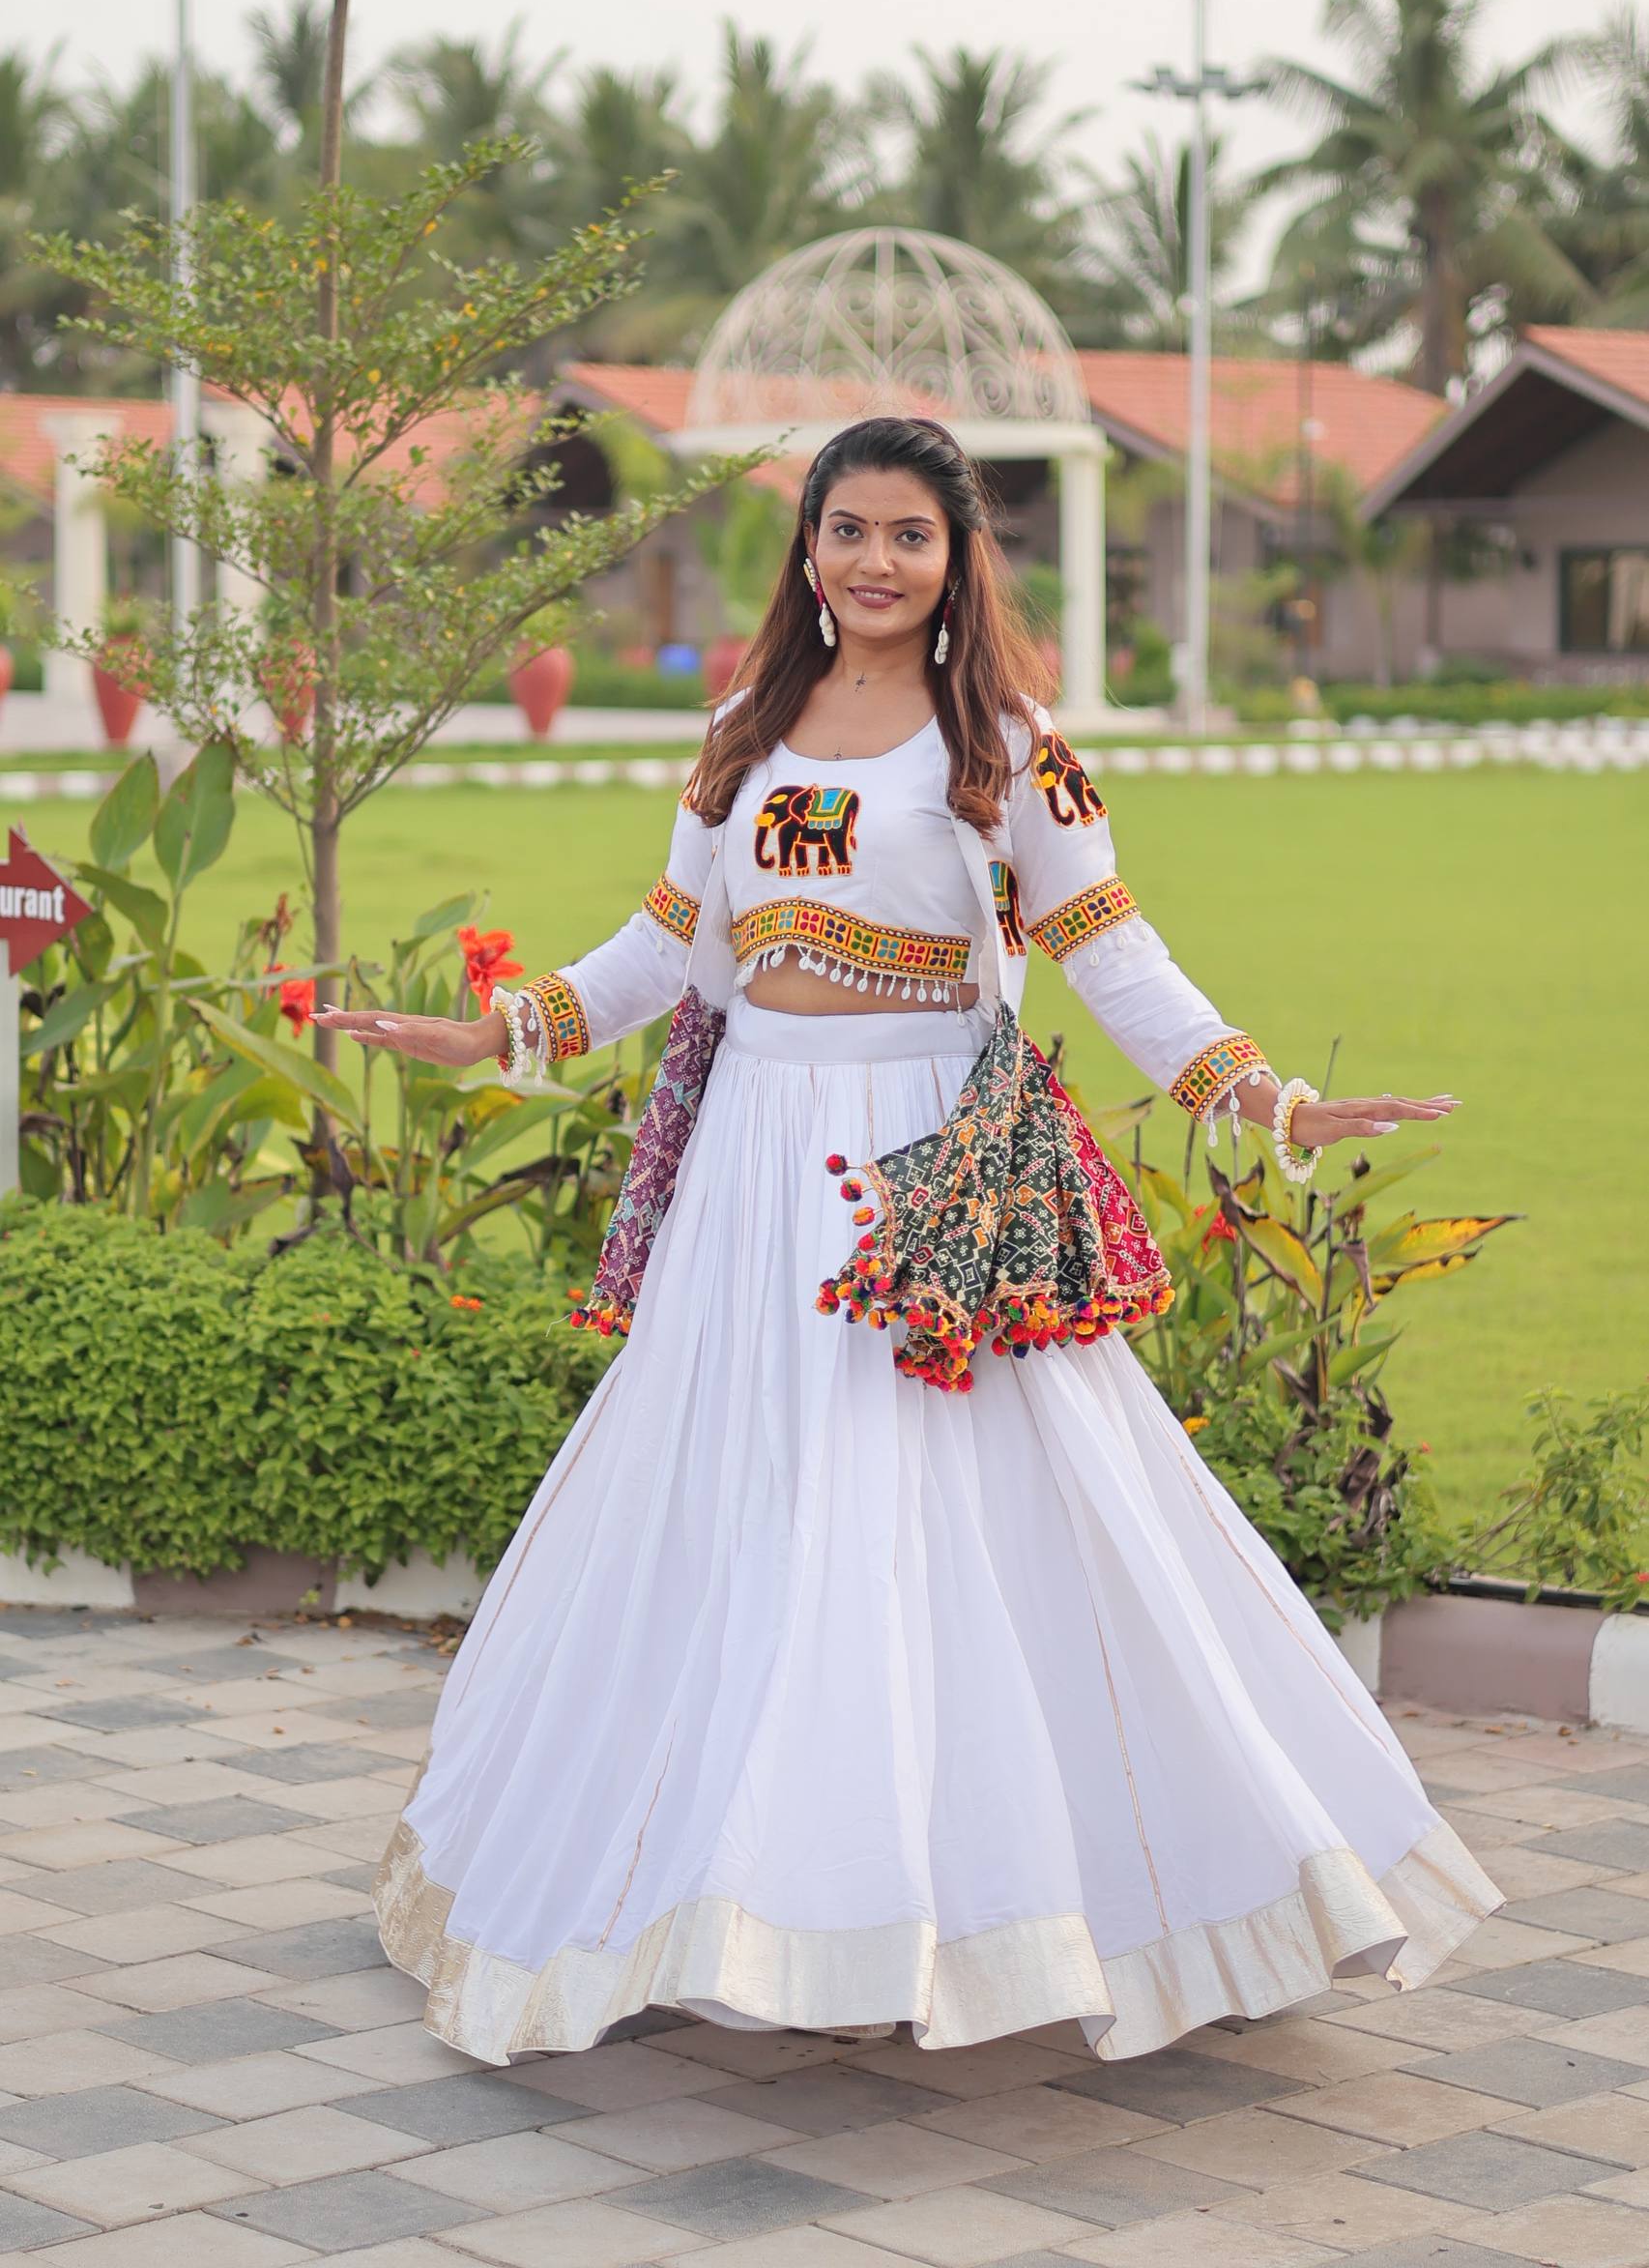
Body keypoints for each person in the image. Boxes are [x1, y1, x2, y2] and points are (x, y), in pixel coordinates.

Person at [324, 415, 1500, 2068]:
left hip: (925, 1182)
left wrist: (1267, 1099)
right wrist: (500, 1033)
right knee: (739, 1508)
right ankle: (719, 1887)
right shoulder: (741, 728)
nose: (872, 561)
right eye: (845, 529)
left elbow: (1110, 949)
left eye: (908, 536)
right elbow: (664, 949)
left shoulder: (1005, 742)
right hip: (750, 1172)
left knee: (929, 1516)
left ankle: (953, 1905)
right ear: (805, 546)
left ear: (956, 561)